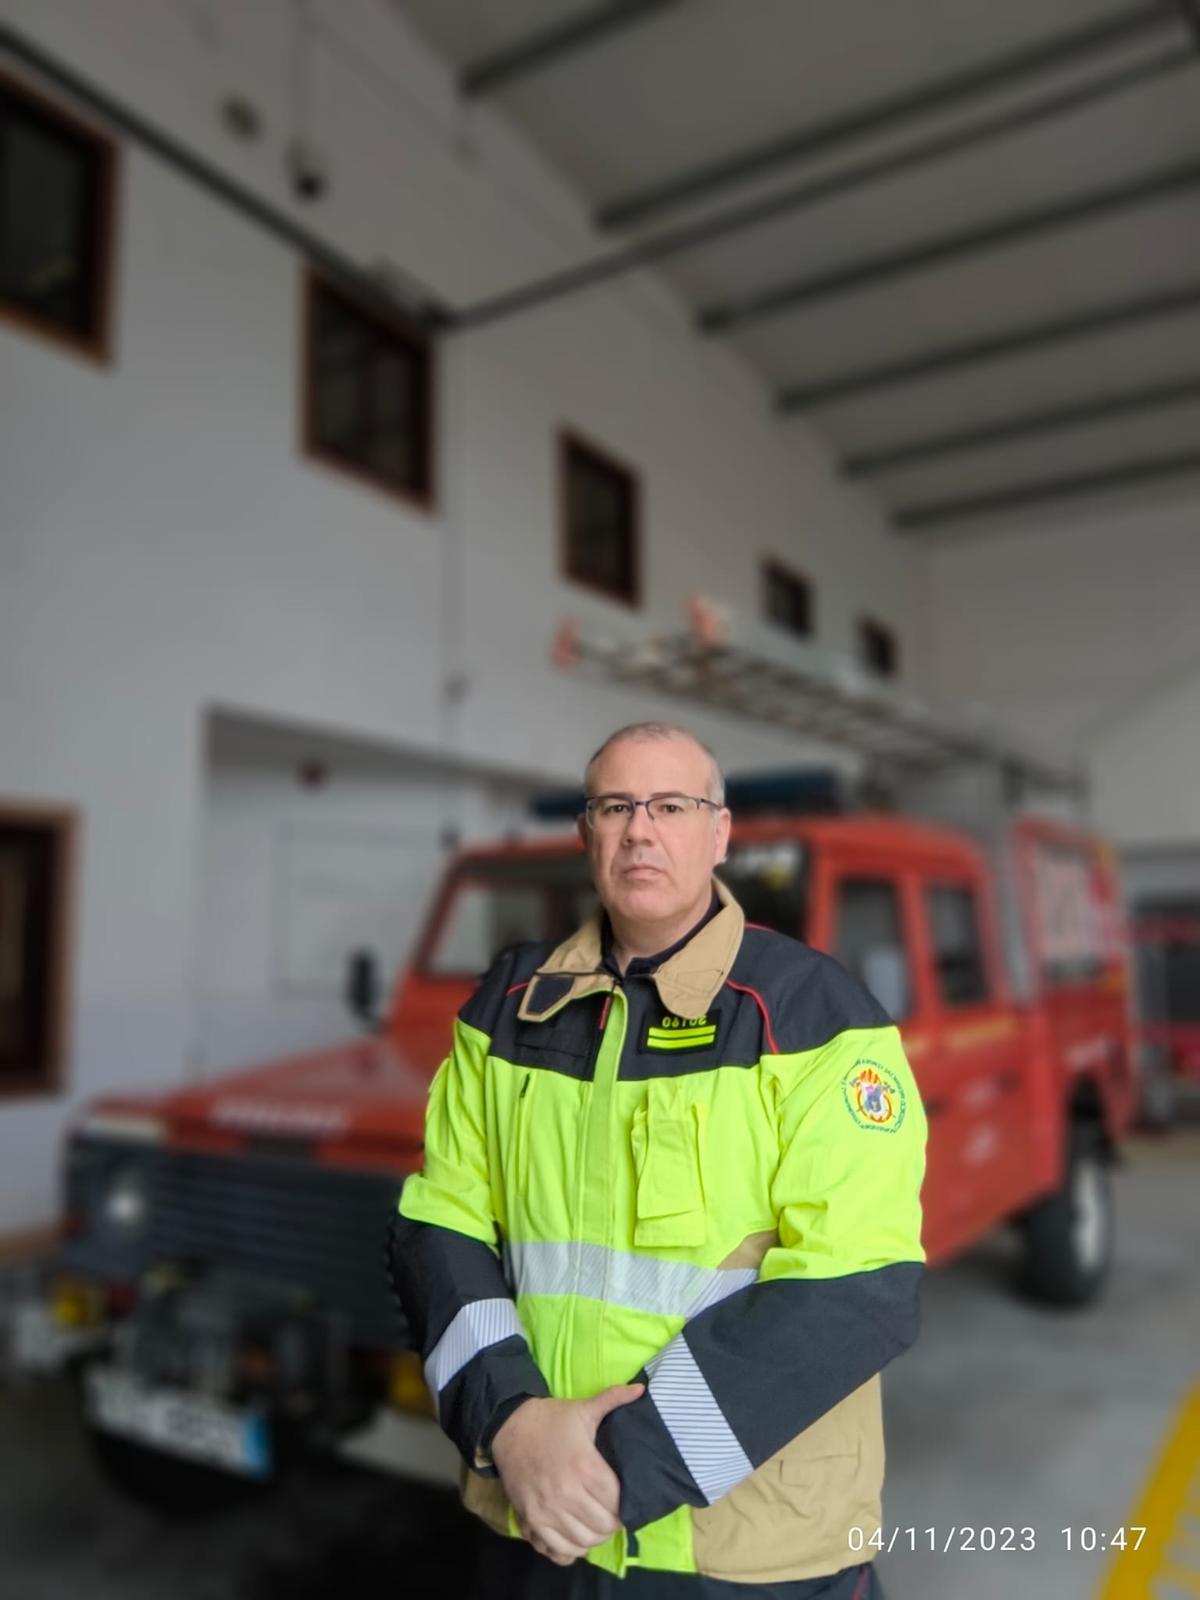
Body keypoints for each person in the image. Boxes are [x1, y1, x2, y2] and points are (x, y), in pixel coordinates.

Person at [390, 722, 927, 1598]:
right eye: (615, 806)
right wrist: (512, 1423)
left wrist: (616, 1471)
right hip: (534, 1526)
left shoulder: (816, 1014)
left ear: (719, 835)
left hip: (743, 1555)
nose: (641, 830)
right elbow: (439, 1224)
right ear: (586, 834)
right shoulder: (504, 1012)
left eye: (671, 806)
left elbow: (857, 1284)